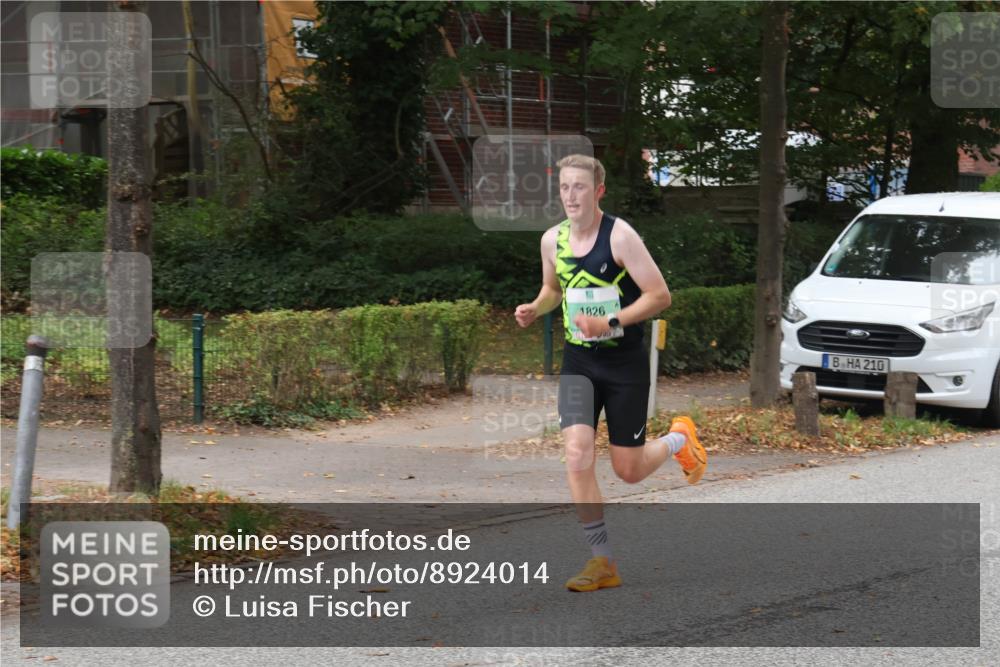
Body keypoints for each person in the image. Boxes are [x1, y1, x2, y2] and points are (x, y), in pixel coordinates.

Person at [514, 154, 707, 592]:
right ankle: (602, 561)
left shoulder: (620, 236)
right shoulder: (551, 241)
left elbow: (660, 295)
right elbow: (552, 289)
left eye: (579, 187)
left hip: (623, 363)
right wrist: (534, 308)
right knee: (578, 454)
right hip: (580, 363)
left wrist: (612, 322)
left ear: (598, 191)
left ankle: (679, 437)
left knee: (629, 470)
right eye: (564, 187)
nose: (570, 196)